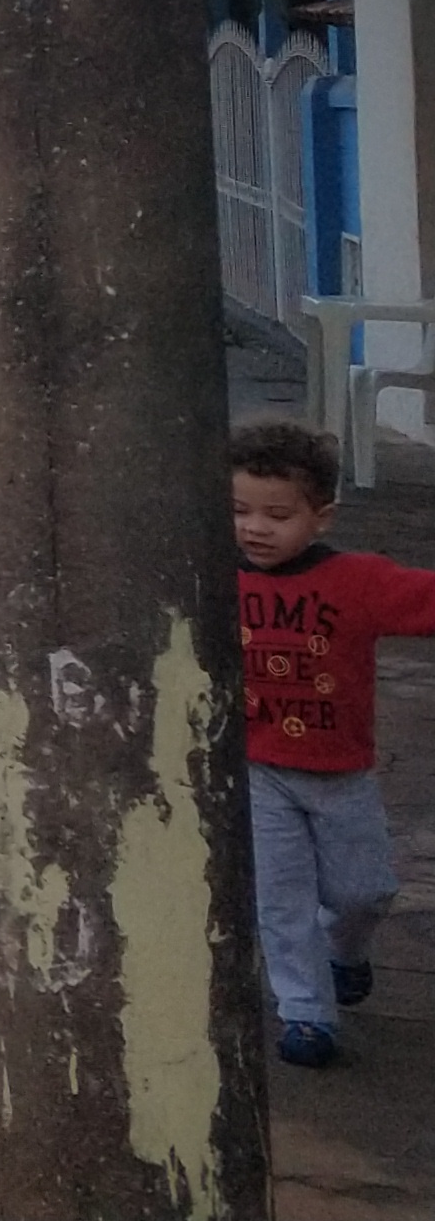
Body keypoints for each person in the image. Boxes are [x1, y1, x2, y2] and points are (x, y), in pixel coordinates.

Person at [233, 416, 435, 1067]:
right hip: (258, 769)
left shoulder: (360, 582)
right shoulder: (210, 579)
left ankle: (344, 954)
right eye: (239, 510)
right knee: (280, 900)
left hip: (341, 773)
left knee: (364, 893)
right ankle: (306, 1014)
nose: (255, 527)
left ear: (322, 516)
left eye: (277, 513)